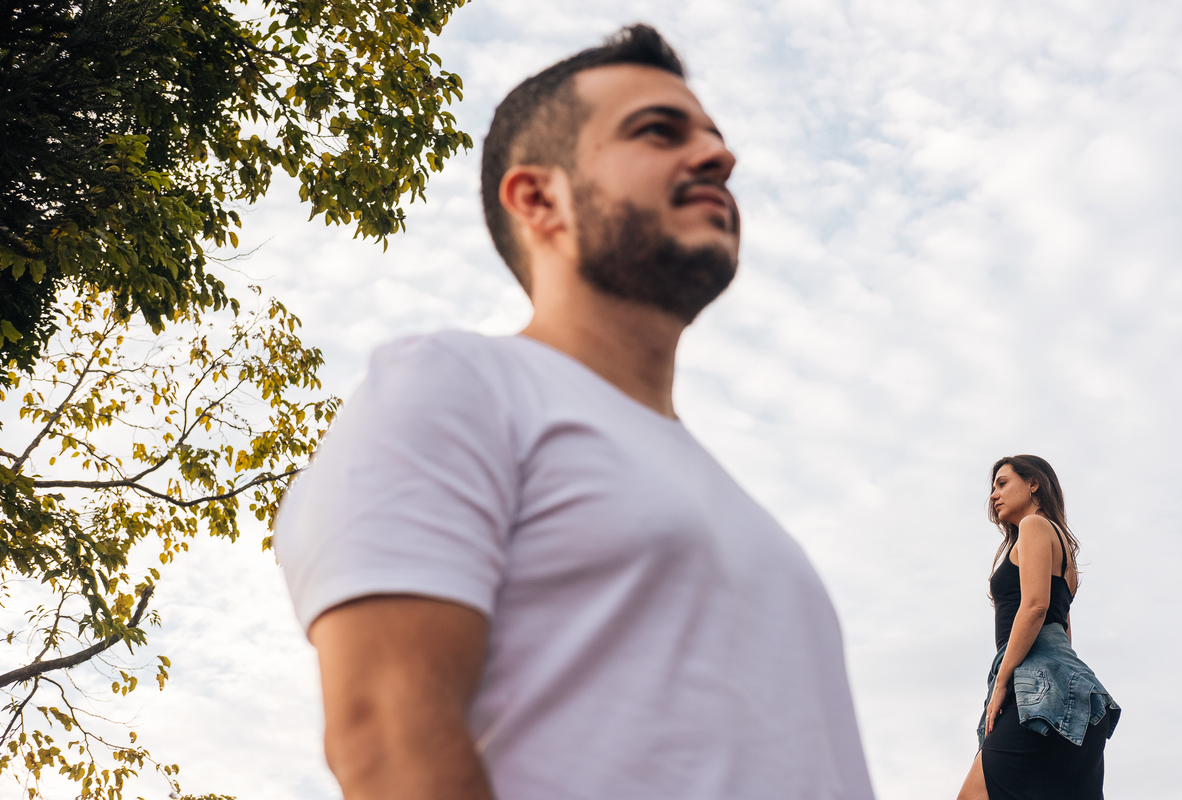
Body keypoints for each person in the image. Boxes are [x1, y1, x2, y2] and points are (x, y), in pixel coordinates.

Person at [273, 24, 875, 800]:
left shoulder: (752, 521)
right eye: (658, 132)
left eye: (715, 139)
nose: (719, 158)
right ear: (539, 197)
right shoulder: (456, 385)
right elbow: (388, 740)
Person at [957, 455, 1120, 800]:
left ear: (1033, 483)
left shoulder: (1033, 526)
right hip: (1076, 695)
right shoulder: (1066, 555)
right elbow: (1063, 634)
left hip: (1035, 684)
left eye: (1002, 483)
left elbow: (1034, 608)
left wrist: (1003, 681)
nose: (993, 495)